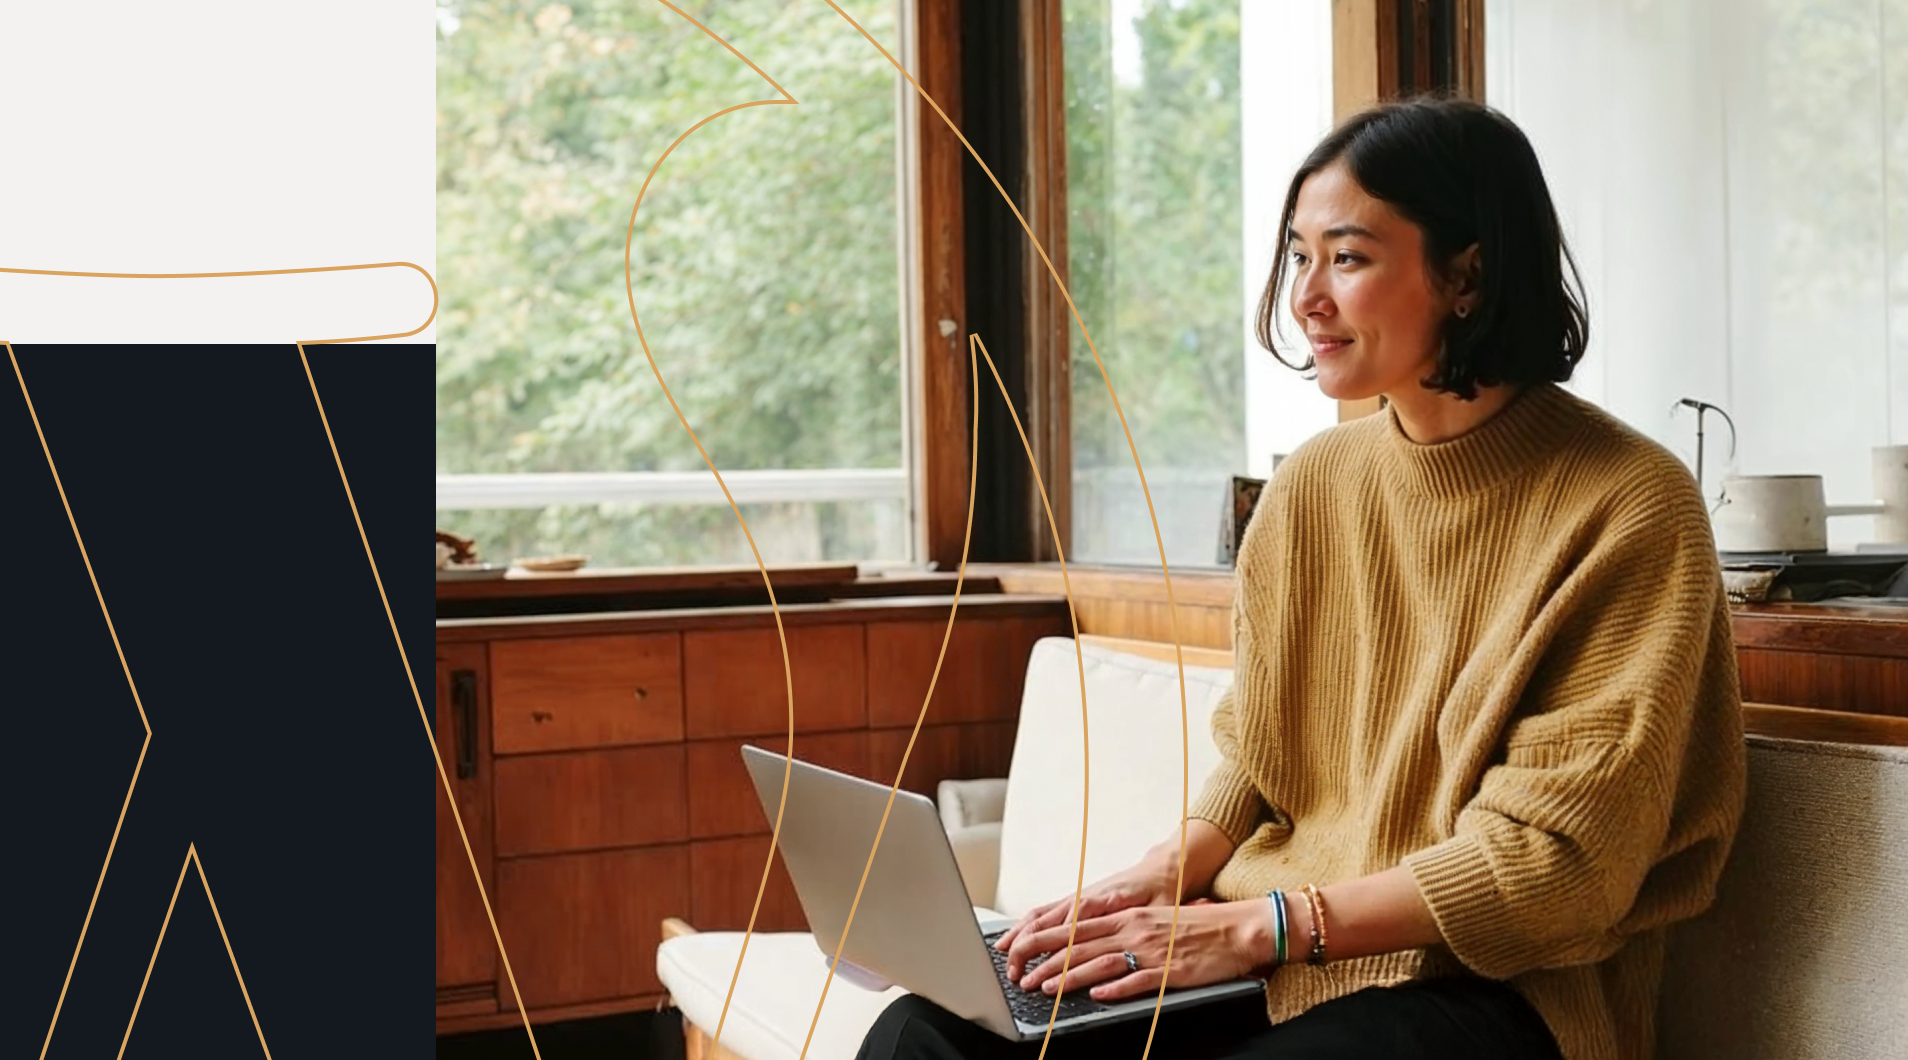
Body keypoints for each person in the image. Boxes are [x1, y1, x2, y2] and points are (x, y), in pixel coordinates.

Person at [855, 96, 1746, 1060]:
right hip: (1282, 964)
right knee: (926, 1032)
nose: (1306, 297)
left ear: (1469, 276)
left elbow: (1559, 865)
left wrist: (1254, 926)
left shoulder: (1629, 505)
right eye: (1299, 255)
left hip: (1490, 1002)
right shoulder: (1313, 487)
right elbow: (1263, 756)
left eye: (1349, 257)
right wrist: (1161, 875)